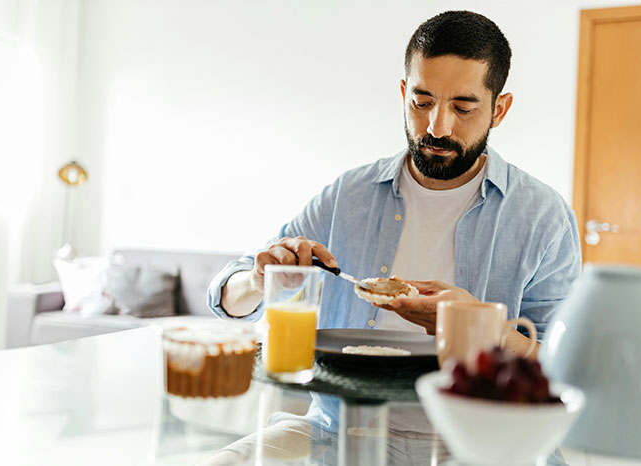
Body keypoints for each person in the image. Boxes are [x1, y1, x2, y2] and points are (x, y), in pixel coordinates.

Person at [202, 10, 581, 465]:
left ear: (499, 109)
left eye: (463, 107)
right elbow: (227, 296)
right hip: (338, 429)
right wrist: (262, 281)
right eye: (422, 102)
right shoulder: (348, 195)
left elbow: (564, 367)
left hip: (479, 444)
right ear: (403, 93)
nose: (438, 127)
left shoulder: (543, 216)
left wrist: (484, 330)